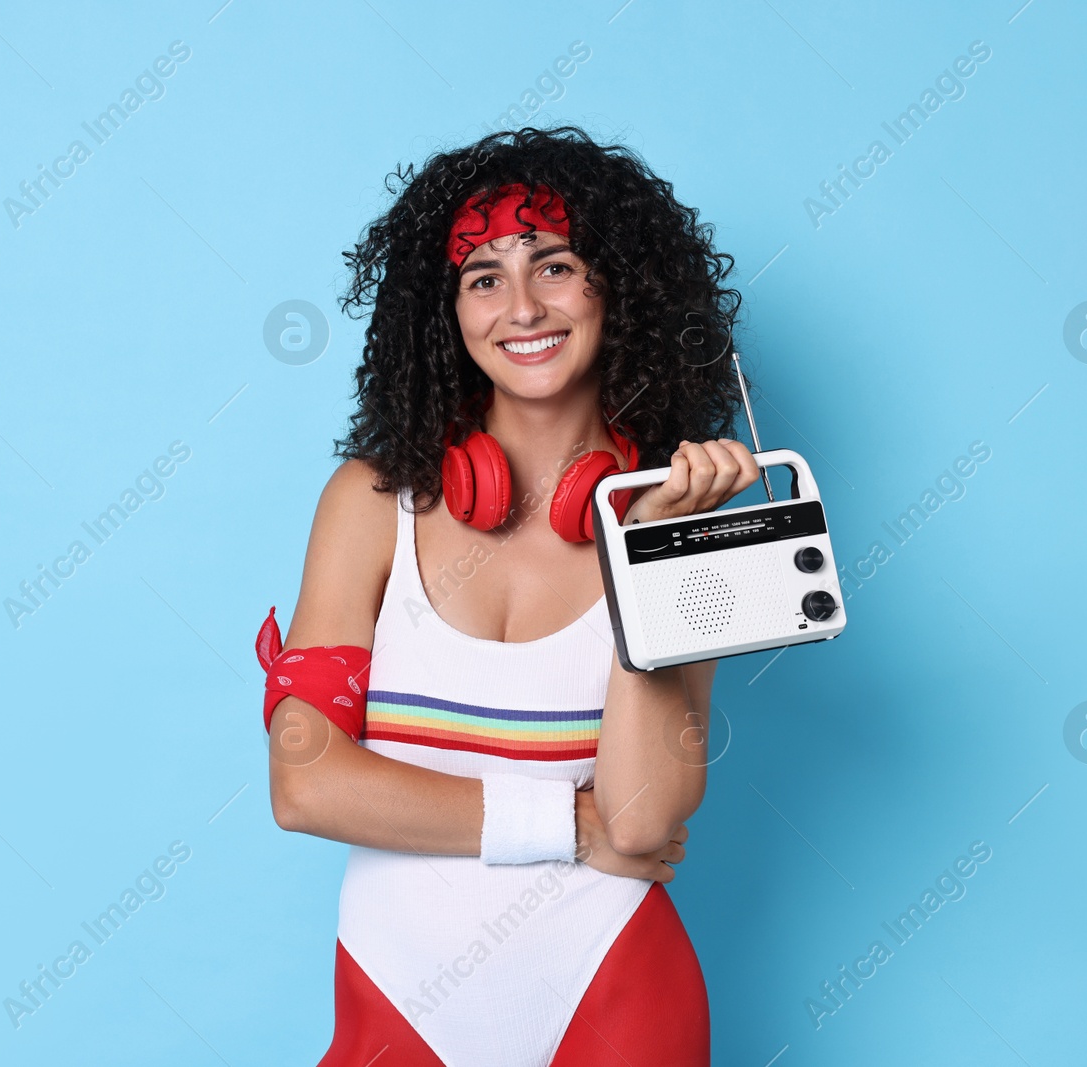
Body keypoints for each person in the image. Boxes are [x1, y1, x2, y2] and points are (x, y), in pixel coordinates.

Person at [258, 125, 757, 1066]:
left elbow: (645, 820)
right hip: (395, 996)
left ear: (620, 287)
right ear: (443, 311)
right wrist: (569, 825)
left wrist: (650, 557)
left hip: (615, 990)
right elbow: (306, 782)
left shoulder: (682, 524)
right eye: (483, 277)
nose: (522, 307)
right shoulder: (372, 505)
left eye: (556, 265)